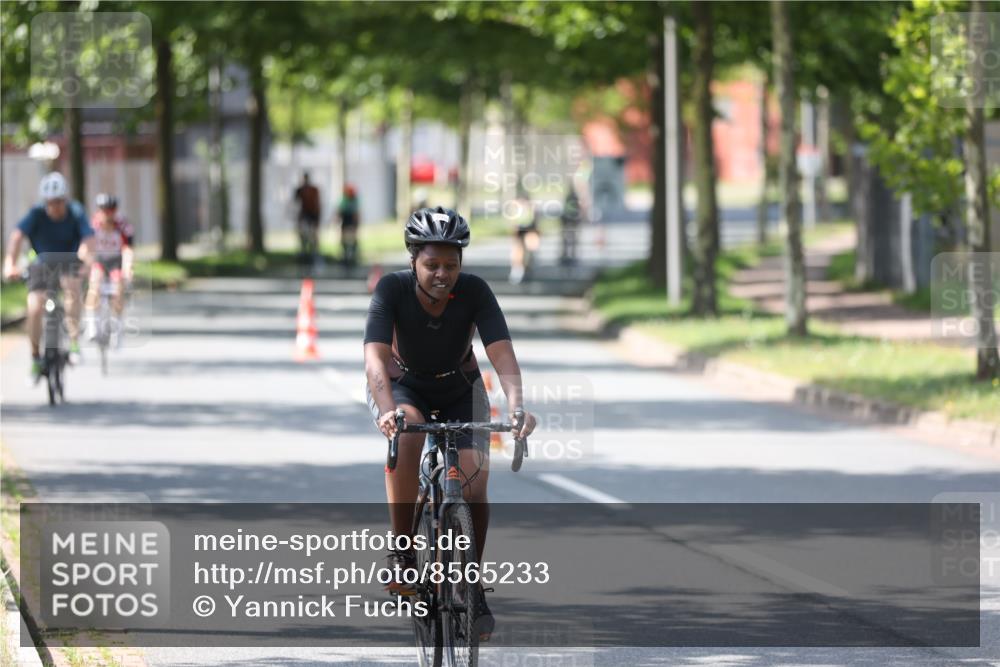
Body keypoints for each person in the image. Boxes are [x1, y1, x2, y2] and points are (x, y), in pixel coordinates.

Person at [364, 206, 537, 640]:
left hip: (461, 387)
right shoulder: (391, 289)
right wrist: (387, 409)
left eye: (451, 265)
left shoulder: (475, 292)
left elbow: (501, 353)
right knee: (406, 434)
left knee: (474, 481)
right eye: (432, 265)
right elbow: (375, 360)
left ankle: (471, 584)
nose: (442, 274)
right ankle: (403, 553)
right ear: (413, 262)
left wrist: (517, 405)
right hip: (404, 387)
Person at [2, 172, 95, 376]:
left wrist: (86, 260)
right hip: (41, 263)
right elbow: (17, 236)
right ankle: (36, 357)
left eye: (59, 202)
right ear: (45, 202)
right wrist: (10, 264)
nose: (55, 206)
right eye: (51, 202)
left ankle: (73, 343)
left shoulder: (76, 212)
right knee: (34, 307)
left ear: (65, 199)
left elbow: (88, 239)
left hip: (69, 260)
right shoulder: (36, 214)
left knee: (72, 290)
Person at [84, 193, 134, 343]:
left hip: (116, 262)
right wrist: (86, 264)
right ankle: (92, 324)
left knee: (118, 286)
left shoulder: (123, 226)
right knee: (95, 281)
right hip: (99, 260)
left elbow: (128, 250)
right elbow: (87, 247)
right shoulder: (92, 226)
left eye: (111, 210)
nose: (107, 213)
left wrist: (128, 268)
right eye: (104, 210)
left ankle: (118, 329)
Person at [508, 197, 540, 284]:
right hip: (521, 233)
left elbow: (535, 225)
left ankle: (527, 268)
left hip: (529, 232)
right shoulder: (517, 211)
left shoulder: (531, 210)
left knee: (529, 250)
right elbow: (514, 225)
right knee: (518, 251)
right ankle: (518, 270)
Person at [293, 172, 321, 266]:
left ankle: (313, 252)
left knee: (312, 235)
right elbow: (295, 204)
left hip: (312, 215)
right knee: (303, 234)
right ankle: (304, 251)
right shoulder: (299, 190)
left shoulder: (314, 190)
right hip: (304, 215)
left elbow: (317, 204)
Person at [559, 186, 585, 266]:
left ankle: (567, 255)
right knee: (571, 240)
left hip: (569, 222)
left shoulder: (569, 198)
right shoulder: (574, 198)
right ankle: (569, 255)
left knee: (568, 240)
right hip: (572, 222)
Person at [337, 184, 360, 267]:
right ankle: (346, 256)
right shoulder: (345, 200)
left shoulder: (353, 201)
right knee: (345, 240)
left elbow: (356, 214)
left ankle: (352, 256)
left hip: (350, 222)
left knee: (352, 240)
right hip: (346, 222)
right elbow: (340, 212)